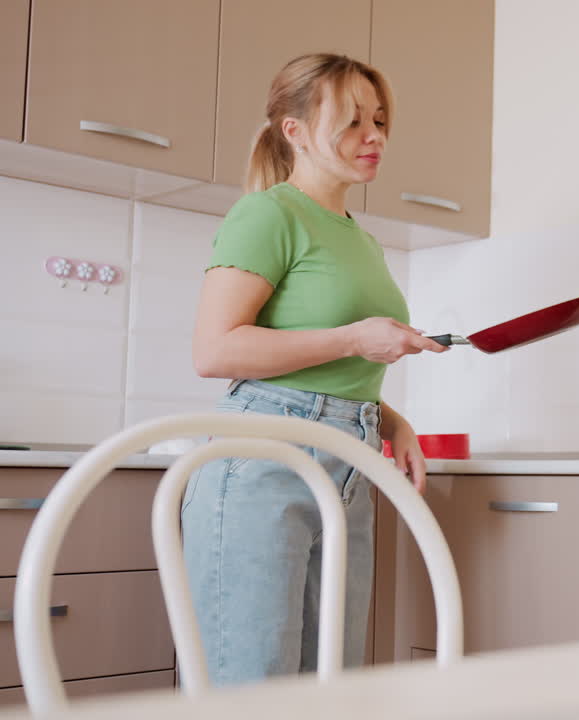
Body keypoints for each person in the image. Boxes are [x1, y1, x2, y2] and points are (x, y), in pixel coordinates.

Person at [184, 53, 445, 686]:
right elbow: (215, 352)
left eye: (380, 120)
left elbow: (331, 365)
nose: (375, 136)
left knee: (330, 683)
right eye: (354, 121)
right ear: (295, 130)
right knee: (255, 684)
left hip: (347, 460)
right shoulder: (268, 214)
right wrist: (356, 336)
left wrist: (389, 418)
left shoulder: (362, 237)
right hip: (267, 459)